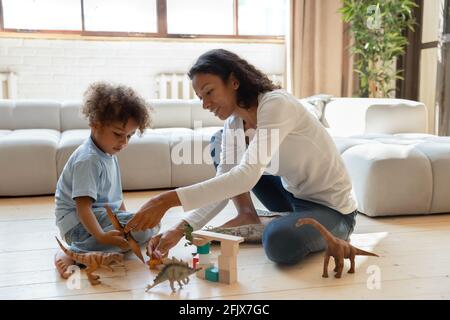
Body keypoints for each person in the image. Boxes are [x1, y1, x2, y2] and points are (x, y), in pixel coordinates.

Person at [125, 49, 358, 265]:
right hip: (291, 196)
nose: (205, 104)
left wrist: (164, 201)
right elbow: (225, 184)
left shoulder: (276, 104)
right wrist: (179, 230)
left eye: (210, 92)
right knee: (220, 146)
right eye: (200, 97)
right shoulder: (233, 124)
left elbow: (245, 178)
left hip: (333, 210)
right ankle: (250, 216)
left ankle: (285, 225)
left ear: (234, 82)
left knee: (278, 241)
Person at [54, 82, 160, 278]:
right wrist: (102, 236)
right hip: (79, 226)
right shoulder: (88, 160)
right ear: (95, 125)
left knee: (148, 224)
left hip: (100, 219)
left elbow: (116, 201)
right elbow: (83, 208)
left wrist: (128, 224)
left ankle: (101, 249)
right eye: (118, 134)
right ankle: (73, 253)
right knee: (145, 228)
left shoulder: (108, 153)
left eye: (130, 136)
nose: (124, 142)